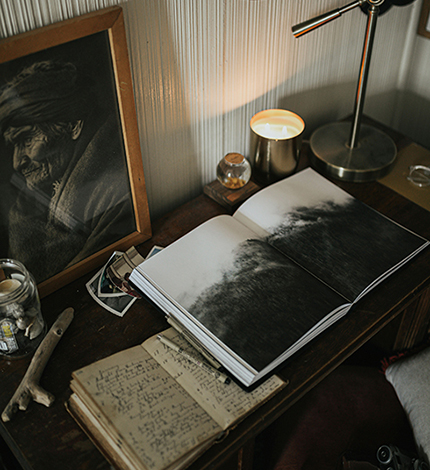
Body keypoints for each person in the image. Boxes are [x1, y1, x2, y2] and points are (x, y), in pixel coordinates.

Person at [0, 59, 135, 283]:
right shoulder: (33, 195)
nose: (17, 162)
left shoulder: (117, 193)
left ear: (73, 126)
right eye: (14, 145)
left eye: (26, 140)